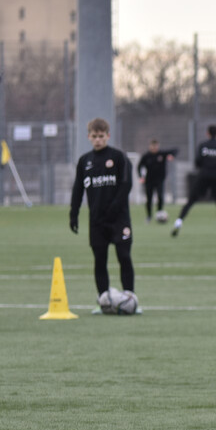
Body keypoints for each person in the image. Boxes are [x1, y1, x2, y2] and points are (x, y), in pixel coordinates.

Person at [69, 118, 137, 310]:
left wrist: (115, 207)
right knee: (100, 259)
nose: (98, 140)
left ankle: (130, 297)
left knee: (124, 255)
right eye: (94, 136)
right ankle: (104, 299)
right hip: (97, 221)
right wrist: (73, 214)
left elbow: (126, 184)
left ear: (108, 135)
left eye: (101, 136)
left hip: (119, 218)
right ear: (88, 137)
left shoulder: (118, 157)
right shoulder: (85, 161)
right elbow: (77, 189)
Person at [172, 124, 216, 237]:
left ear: (207, 133)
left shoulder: (203, 146)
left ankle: (178, 222)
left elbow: (197, 162)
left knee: (191, 201)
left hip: (203, 176)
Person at [137, 138, 176, 223]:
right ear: (150, 146)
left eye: (156, 146)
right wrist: (141, 176)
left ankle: (159, 213)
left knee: (160, 197)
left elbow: (175, 150)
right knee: (149, 199)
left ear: (158, 146)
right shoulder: (146, 156)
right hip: (149, 180)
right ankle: (149, 216)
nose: (154, 148)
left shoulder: (162, 154)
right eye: (153, 146)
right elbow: (139, 166)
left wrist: (172, 156)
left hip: (159, 180)